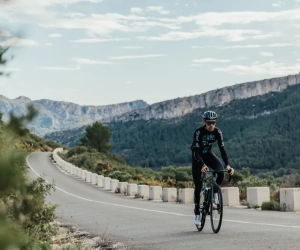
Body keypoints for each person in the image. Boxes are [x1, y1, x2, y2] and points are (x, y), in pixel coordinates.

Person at [191, 110, 234, 226]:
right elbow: (196, 151)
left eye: (214, 123)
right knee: (198, 185)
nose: (211, 125)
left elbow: (222, 149)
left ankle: (214, 192)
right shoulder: (198, 132)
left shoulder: (217, 132)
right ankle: (196, 213)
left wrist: (228, 165)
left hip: (209, 155)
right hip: (197, 158)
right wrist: (202, 165)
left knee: (221, 172)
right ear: (204, 122)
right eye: (209, 123)